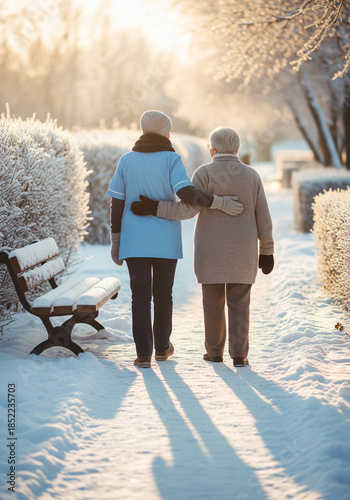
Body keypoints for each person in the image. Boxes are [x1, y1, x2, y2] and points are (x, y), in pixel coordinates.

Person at [107, 112, 243, 368]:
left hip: (134, 240)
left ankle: (144, 354)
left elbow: (117, 202)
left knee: (139, 297)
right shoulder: (172, 158)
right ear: (166, 133)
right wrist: (219, 203)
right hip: (165, 240)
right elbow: (187, 193)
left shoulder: (126, 160)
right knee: (163, 294)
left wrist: (116, 240)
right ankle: (162, 348)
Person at [131, 126, 274, 367]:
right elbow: (264, 217)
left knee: (213, 303)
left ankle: (214, 352)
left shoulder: (204, 173)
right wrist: (266, 251)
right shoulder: (252, 176)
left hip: (210, 250)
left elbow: (186, 210)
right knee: (240, 303)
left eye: (209, 146)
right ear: (236, 148)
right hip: (243, 250)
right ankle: (239, 355)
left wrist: (154, 208)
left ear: (214, 149)